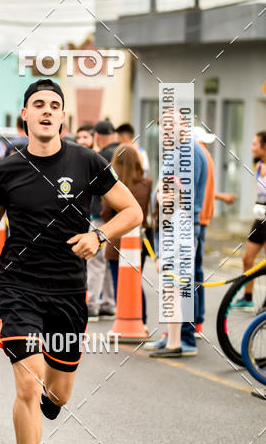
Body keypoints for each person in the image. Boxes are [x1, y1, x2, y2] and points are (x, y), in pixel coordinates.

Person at [0, 79, 142, 444]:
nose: (46, 111)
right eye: (37, 104)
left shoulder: (87, 162)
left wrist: (99, 235)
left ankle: (52, 404)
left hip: (67, 293)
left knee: (56, 392)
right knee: (27, 380)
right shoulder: (7, 169)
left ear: (63, 117)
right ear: (25, 115)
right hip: (19, 289)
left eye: (54, 105)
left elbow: (132, 210)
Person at [147, 110, 207, 358]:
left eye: (169, 124)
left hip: (180, 226)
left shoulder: (188, 151)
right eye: (161, 126)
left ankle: (182, 339)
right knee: (176, 283)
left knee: (177, 284)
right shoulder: (178, 150)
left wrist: (162, 197)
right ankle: (174, 337)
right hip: (174, 226)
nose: (163, 130)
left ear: (184, 124)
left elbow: (177, 197)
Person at [192, 126, 237, 330]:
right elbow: (206, 191)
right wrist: (222, 196)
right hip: (204, 217)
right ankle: (198, 320)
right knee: (196, 271)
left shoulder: (196, 157)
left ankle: (193, 322)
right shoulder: (207, 157)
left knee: (191, 273)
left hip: (197, 218)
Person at [101, 145, 152, 324]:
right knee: (136, 283)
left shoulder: (112, 186)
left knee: (119, 283)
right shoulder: (146, 184)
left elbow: (105, 213)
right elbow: (146, 213)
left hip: (116, 239)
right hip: (140, 240)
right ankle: (141, 320)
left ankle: (123, 319)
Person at [87, 120, 121, 320]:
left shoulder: (101, 157)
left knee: (96, 261)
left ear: (97, 137)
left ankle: (91, 304)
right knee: (108, 261)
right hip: (120, 218)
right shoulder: (127, 151)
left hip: (102, 215)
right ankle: (109, 303)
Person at [231, 130, 266, 309]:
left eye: (255, 144)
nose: (252, 148)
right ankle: (248, 297)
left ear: (265, 146)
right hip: (259, 218)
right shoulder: (258, 166)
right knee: (247, 258)